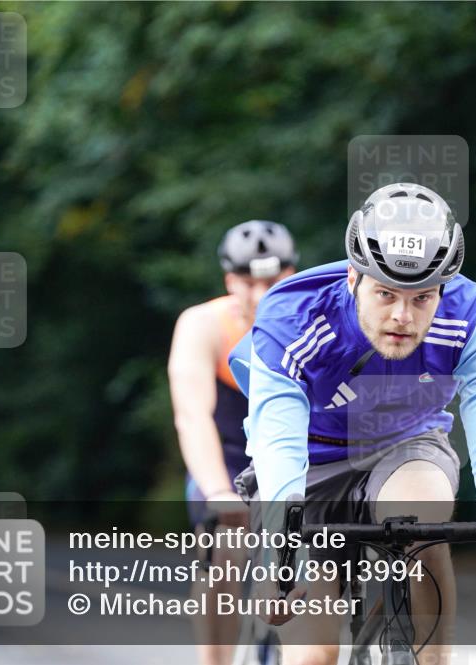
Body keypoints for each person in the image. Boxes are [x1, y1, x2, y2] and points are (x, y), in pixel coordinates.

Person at [230, 183, 476, 665]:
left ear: (443, 289)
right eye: (385, 293)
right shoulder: (292, 317)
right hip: (310, 460)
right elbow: (279, 452)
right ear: (351, 278)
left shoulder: (473, 315)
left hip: (407, 442)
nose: (403, 316)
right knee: (312, 656)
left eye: (422, 298)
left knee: (421, 512)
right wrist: (282, 561)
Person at [168, 220, 297, 665]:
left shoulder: (310, 318)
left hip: (292, 450)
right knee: (224, 549)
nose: (261, 294)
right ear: (229, 282)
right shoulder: (203, 325)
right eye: (248, 282)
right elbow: (192, 416)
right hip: (222, 456)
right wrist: (220, 493)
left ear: (293, 274)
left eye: (274, 281)